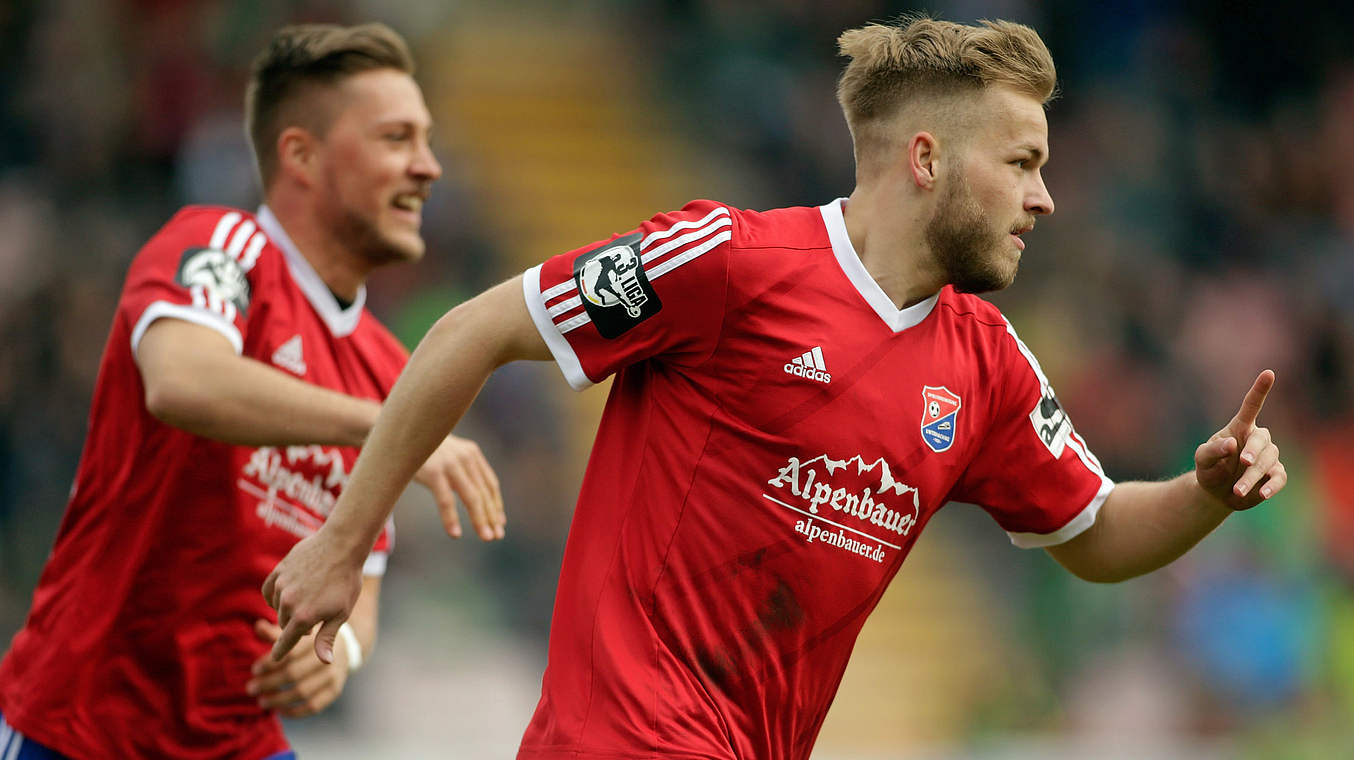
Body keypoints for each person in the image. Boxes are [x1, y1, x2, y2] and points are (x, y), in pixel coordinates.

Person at [262, 16, 1287, 760]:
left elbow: (1094, 529)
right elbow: (470, 328)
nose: (1045, 195)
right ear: (925, 158)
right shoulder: (729, 262)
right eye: (1021, 161)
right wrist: (344, 541)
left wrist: (1203, 493)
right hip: (617, 741)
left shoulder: (988, 366)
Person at [0, 22, 504, 760]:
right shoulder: (222, 247)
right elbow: (182, 379)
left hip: (239, 741)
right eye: (396, 138)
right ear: (300, 154)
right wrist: (390, 427)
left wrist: (343, 658)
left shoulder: (392, 364)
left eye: (425, 141)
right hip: (84, 729)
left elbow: (361, 576)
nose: (428, 167)